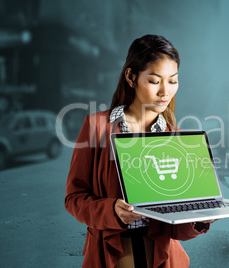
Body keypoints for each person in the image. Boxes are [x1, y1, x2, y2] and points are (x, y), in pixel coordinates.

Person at [65, 34, 214, 268]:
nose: (165, 91)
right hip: (113, 253)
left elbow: (176, 228)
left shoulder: (175, 136)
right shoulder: (96, 127)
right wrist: (111, 210)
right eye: (155, 81)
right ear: (131, 77)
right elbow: (74, 199)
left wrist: (201, 217)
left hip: (161, 256)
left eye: (173, 81)